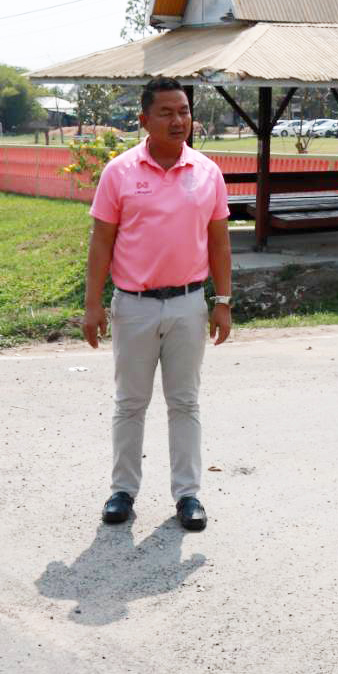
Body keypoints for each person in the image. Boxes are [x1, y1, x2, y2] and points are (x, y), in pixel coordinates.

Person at [82, 78, 233, 532]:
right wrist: (93, 304)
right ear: (144, 119)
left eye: (183, 111)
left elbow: (219, 243)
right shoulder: (120, 172)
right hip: (134, 306)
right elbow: (101, 242)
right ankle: (122, 492)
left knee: (184, 402)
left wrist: (223, 301)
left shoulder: (207, 172)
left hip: (189, 304)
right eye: (166, 112)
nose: (177, 120)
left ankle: (188, 495)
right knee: (130, 402)